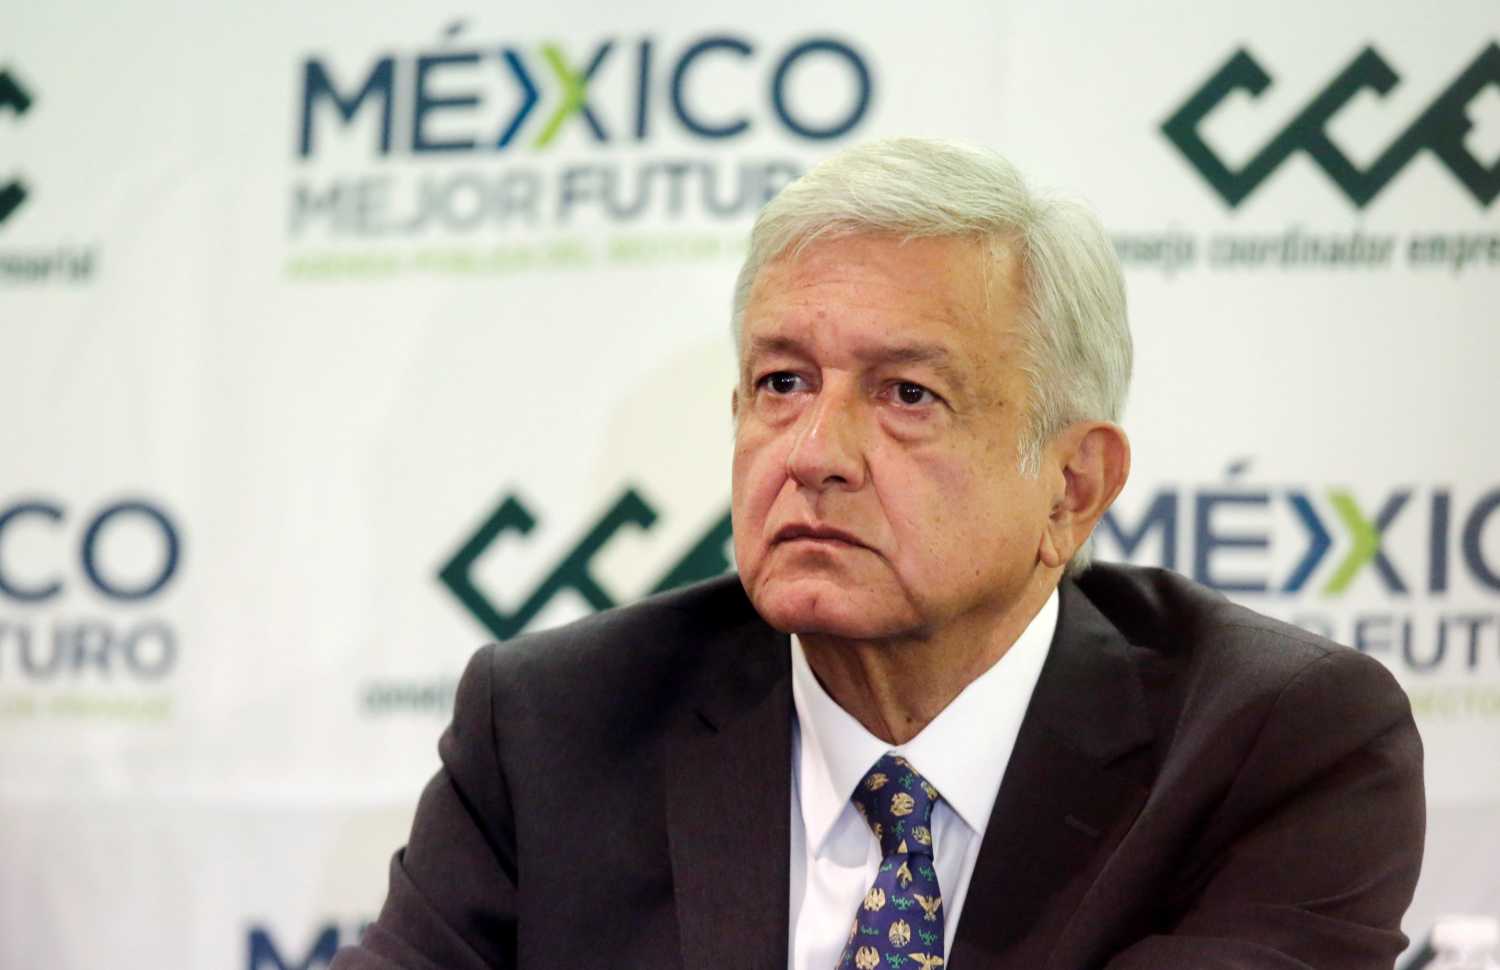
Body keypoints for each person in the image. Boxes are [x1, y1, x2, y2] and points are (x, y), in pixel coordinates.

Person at [331, 138, 1424, 970]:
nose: (815, 453)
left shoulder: (1274, 748)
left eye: (908, 394)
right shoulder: (554, 726)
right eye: (782, 383)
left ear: (1072, 485)